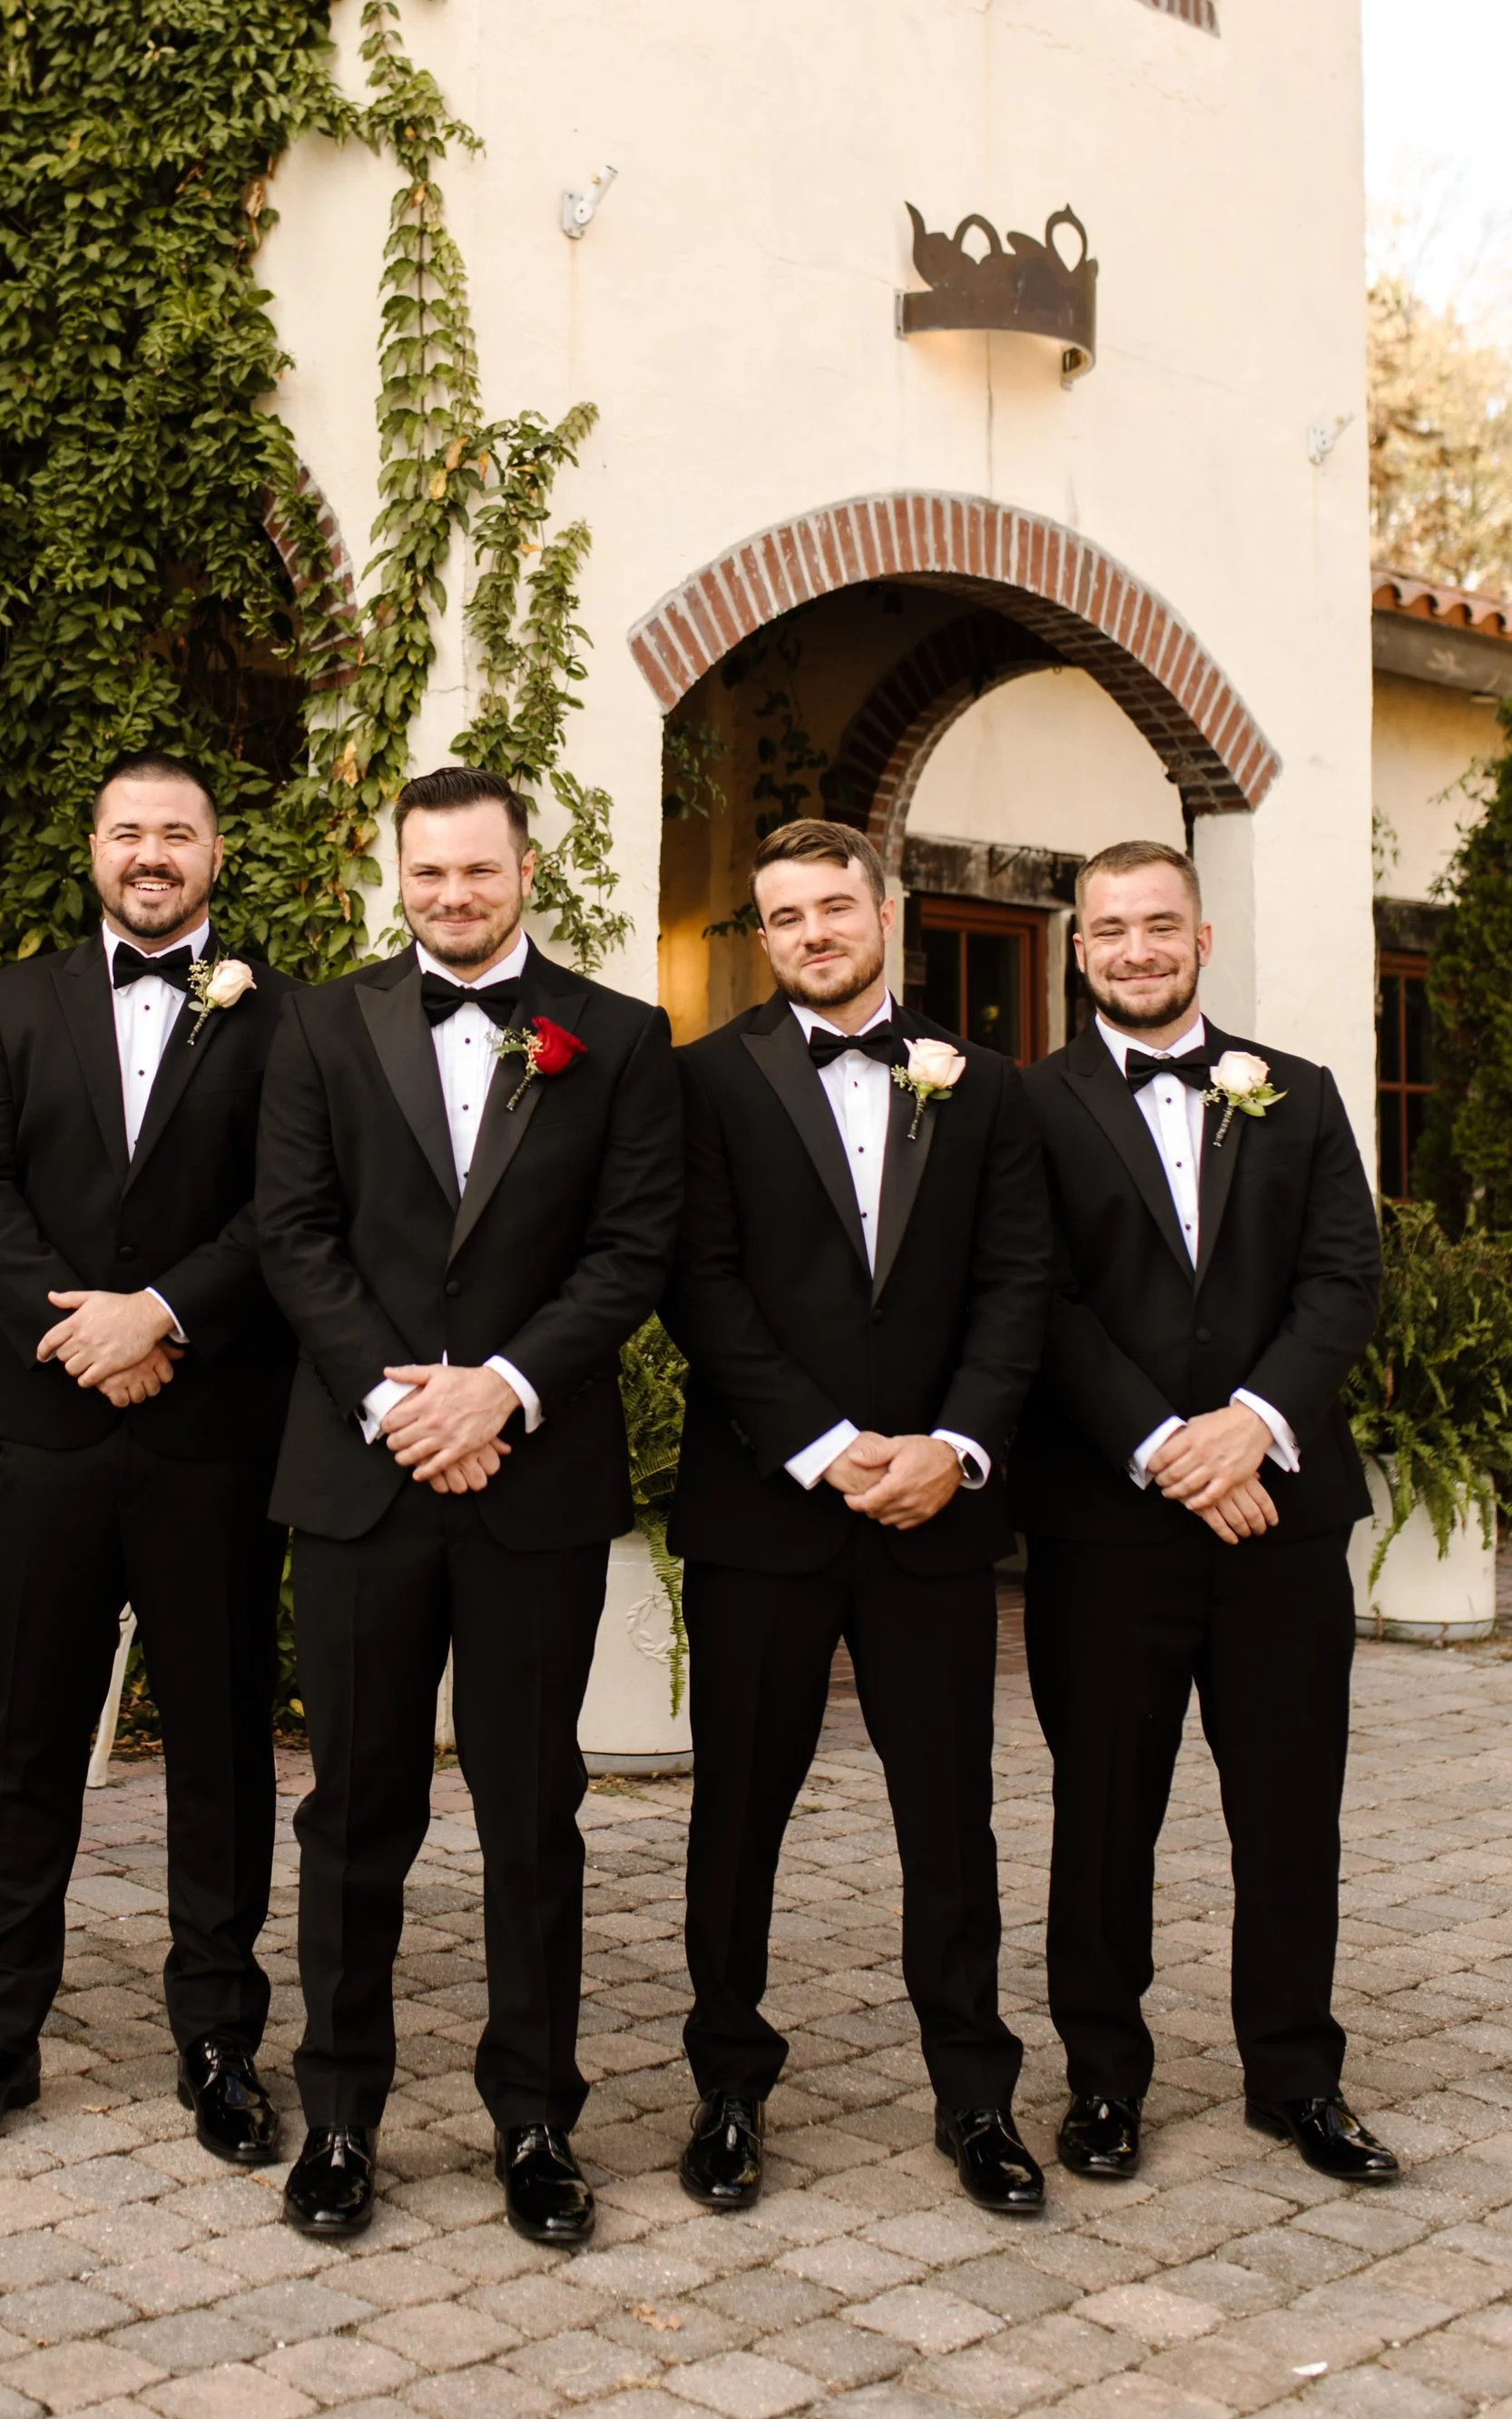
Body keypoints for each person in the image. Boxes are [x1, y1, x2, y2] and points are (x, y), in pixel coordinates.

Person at [254, 766, 684, 2247]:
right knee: (352, 1811)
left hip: (530, 1476)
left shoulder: (620, 1037)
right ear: (400, 871)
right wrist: (399, 1402)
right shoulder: (317, 1023)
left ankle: (537, 2117)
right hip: (361, 1477)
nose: (451, 896)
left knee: (531, 1815)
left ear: (526, 868)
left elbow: (630, 1250)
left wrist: (498, 1388)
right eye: (427, 873)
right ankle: (340, 2116)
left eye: (477, 873)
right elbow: (292, 1232)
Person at [662, 819, 1052, 2219]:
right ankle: (725, 2086)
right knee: (736, 1812)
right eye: (786, 916)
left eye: (836, 904)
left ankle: (977, 2092)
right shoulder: (702, 1082)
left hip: (936, 1515)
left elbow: (1020, 1285)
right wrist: (825, 1449)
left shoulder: (989, 1087)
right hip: (766, 1509)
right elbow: (699, 1284)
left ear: (888, 909)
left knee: (950, 1813)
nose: (814, 931)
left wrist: (954, 1445)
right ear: (762, 937)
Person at [0, 753, 295, 2158]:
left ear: (214, 851)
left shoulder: (285, 1018)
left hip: (213, 1435)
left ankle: (218, 2037)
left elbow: (287, 1207)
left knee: (220, 1745)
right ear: (92, 846)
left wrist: (165, 1313)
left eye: (176, 833)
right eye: (128, 830)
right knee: (26, 1739)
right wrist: (80, 1332)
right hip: (53, 1426)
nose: (151, 853)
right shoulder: (9, 1002)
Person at [1015, 837, 1393, 2186]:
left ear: (1201, 936)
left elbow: (1343, 1282)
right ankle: (1103, 2080)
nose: (1134, 949)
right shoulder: (1029, 1106)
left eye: (1157, 924)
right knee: (1103, 1810)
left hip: (1280, 1516)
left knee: (1291, 1809)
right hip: (1106, 1527)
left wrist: (1253, 1428)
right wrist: (1170, 1445)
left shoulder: (1299, 1093)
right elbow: (1037, 1300)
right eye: (1108, 928)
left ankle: (1296, 2076)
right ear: (1077, 948)